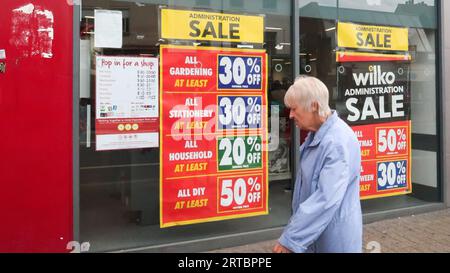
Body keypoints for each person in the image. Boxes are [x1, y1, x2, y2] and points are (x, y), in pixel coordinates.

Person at [272, 75, 362, 253]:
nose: (290, 115)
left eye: (294, 109)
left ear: (313, 106)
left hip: (332, 240)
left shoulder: (335, 142)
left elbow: (325, 199)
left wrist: (292, 239)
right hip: (320, 236)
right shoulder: (319, 134)